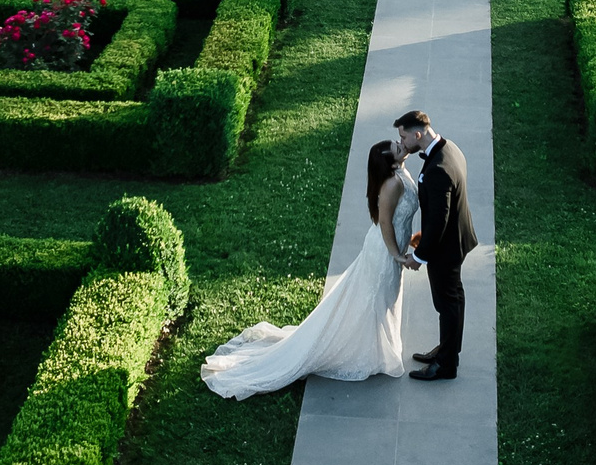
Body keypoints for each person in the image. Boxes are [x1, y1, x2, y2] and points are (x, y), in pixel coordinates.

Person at [200, 140, 418, 398]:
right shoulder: (392, 184)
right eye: (397, 148)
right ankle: (372, 351)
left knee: (382, 298)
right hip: (383, 252)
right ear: (390, 163)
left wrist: (407, 240)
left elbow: (397, 218)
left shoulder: (399, 174)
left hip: (387, 248)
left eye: (398, 144)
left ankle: (379, 347)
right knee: (378, 299)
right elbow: (385, 223)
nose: (402, 146)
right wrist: (396, 255)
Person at [397, 109, 477, 381]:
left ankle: (445, 365)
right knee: (454, 298)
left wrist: (419, 256)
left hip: (446, 248)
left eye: (404, 137)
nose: (402, 142)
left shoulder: (438, 170)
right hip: (457, 238)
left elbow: (439, 220)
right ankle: (449, 350)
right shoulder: (450, 148)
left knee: (447, 304)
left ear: (418, 134)